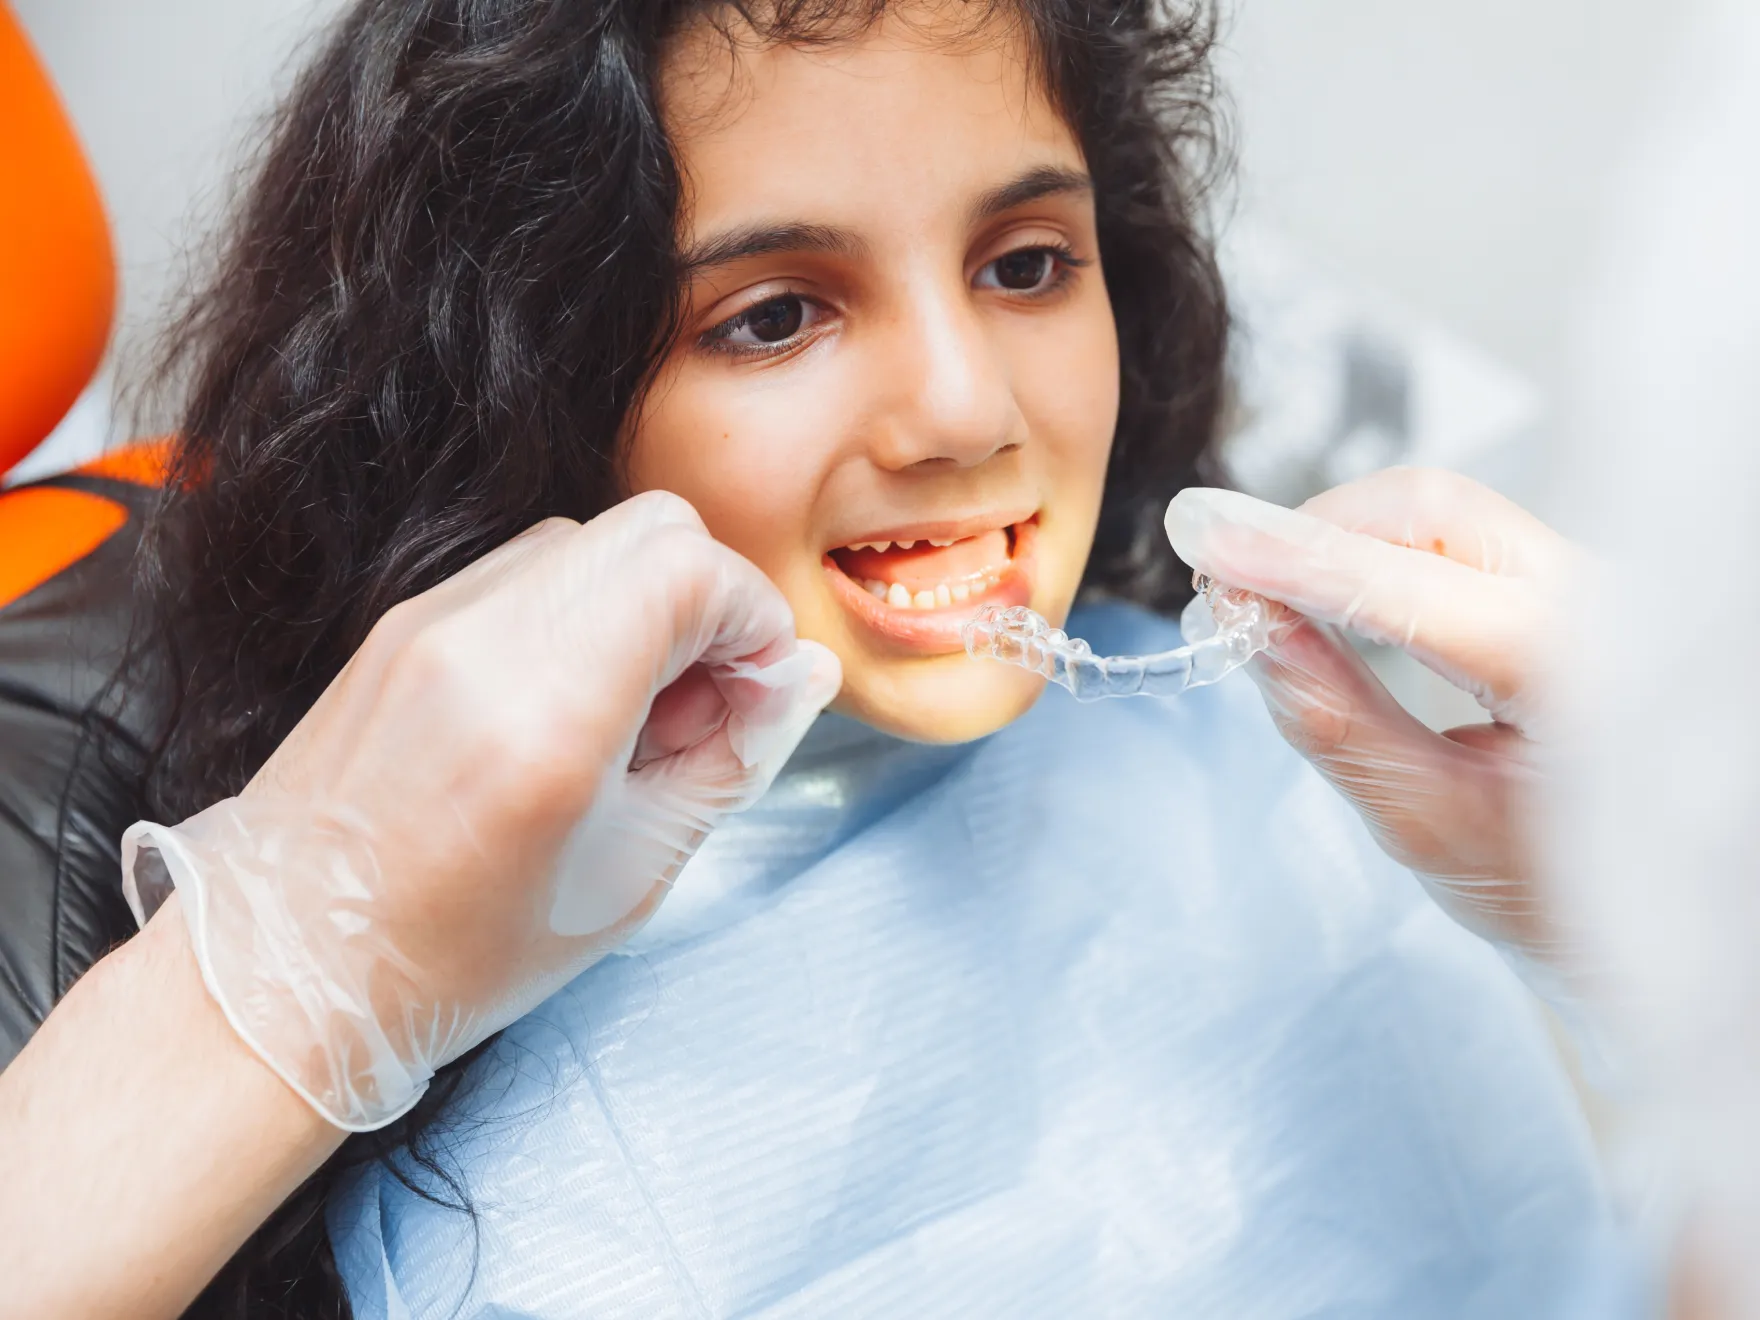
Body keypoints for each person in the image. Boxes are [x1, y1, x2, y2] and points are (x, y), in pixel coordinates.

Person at [0, 2, 1629, 1317]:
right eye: (775, 315)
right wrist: (294, 992)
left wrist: (1666, 933)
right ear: (530, 390)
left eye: (1026, 265)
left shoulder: (1285, 762)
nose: (969, 412)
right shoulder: (390, 946)